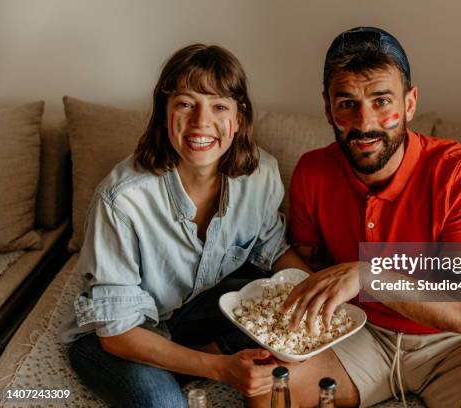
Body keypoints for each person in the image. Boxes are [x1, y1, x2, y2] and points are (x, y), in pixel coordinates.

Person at [247, 27, 461, 407]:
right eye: (347, 104)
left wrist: (368, 274)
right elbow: (307, 268)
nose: (364, 122)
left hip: (456, 342)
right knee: (268, 393)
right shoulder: (312, 172)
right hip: (355, 332)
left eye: (381, 101)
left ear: (409, 103)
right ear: (327, 108)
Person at [60, 44, 310, 408]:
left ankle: (183, 358)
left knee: (283, 315)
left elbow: (273, 252)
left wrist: (319, 294)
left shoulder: (260, 175)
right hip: (118, 334)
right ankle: (186, 364)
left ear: (238, 119)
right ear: (164, 113)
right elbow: (117, 335)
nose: (200, 122)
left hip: (192, 310)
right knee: (163, 403)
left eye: (219, 106)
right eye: (185, 104)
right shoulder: (121, 199)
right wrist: (221, 368)